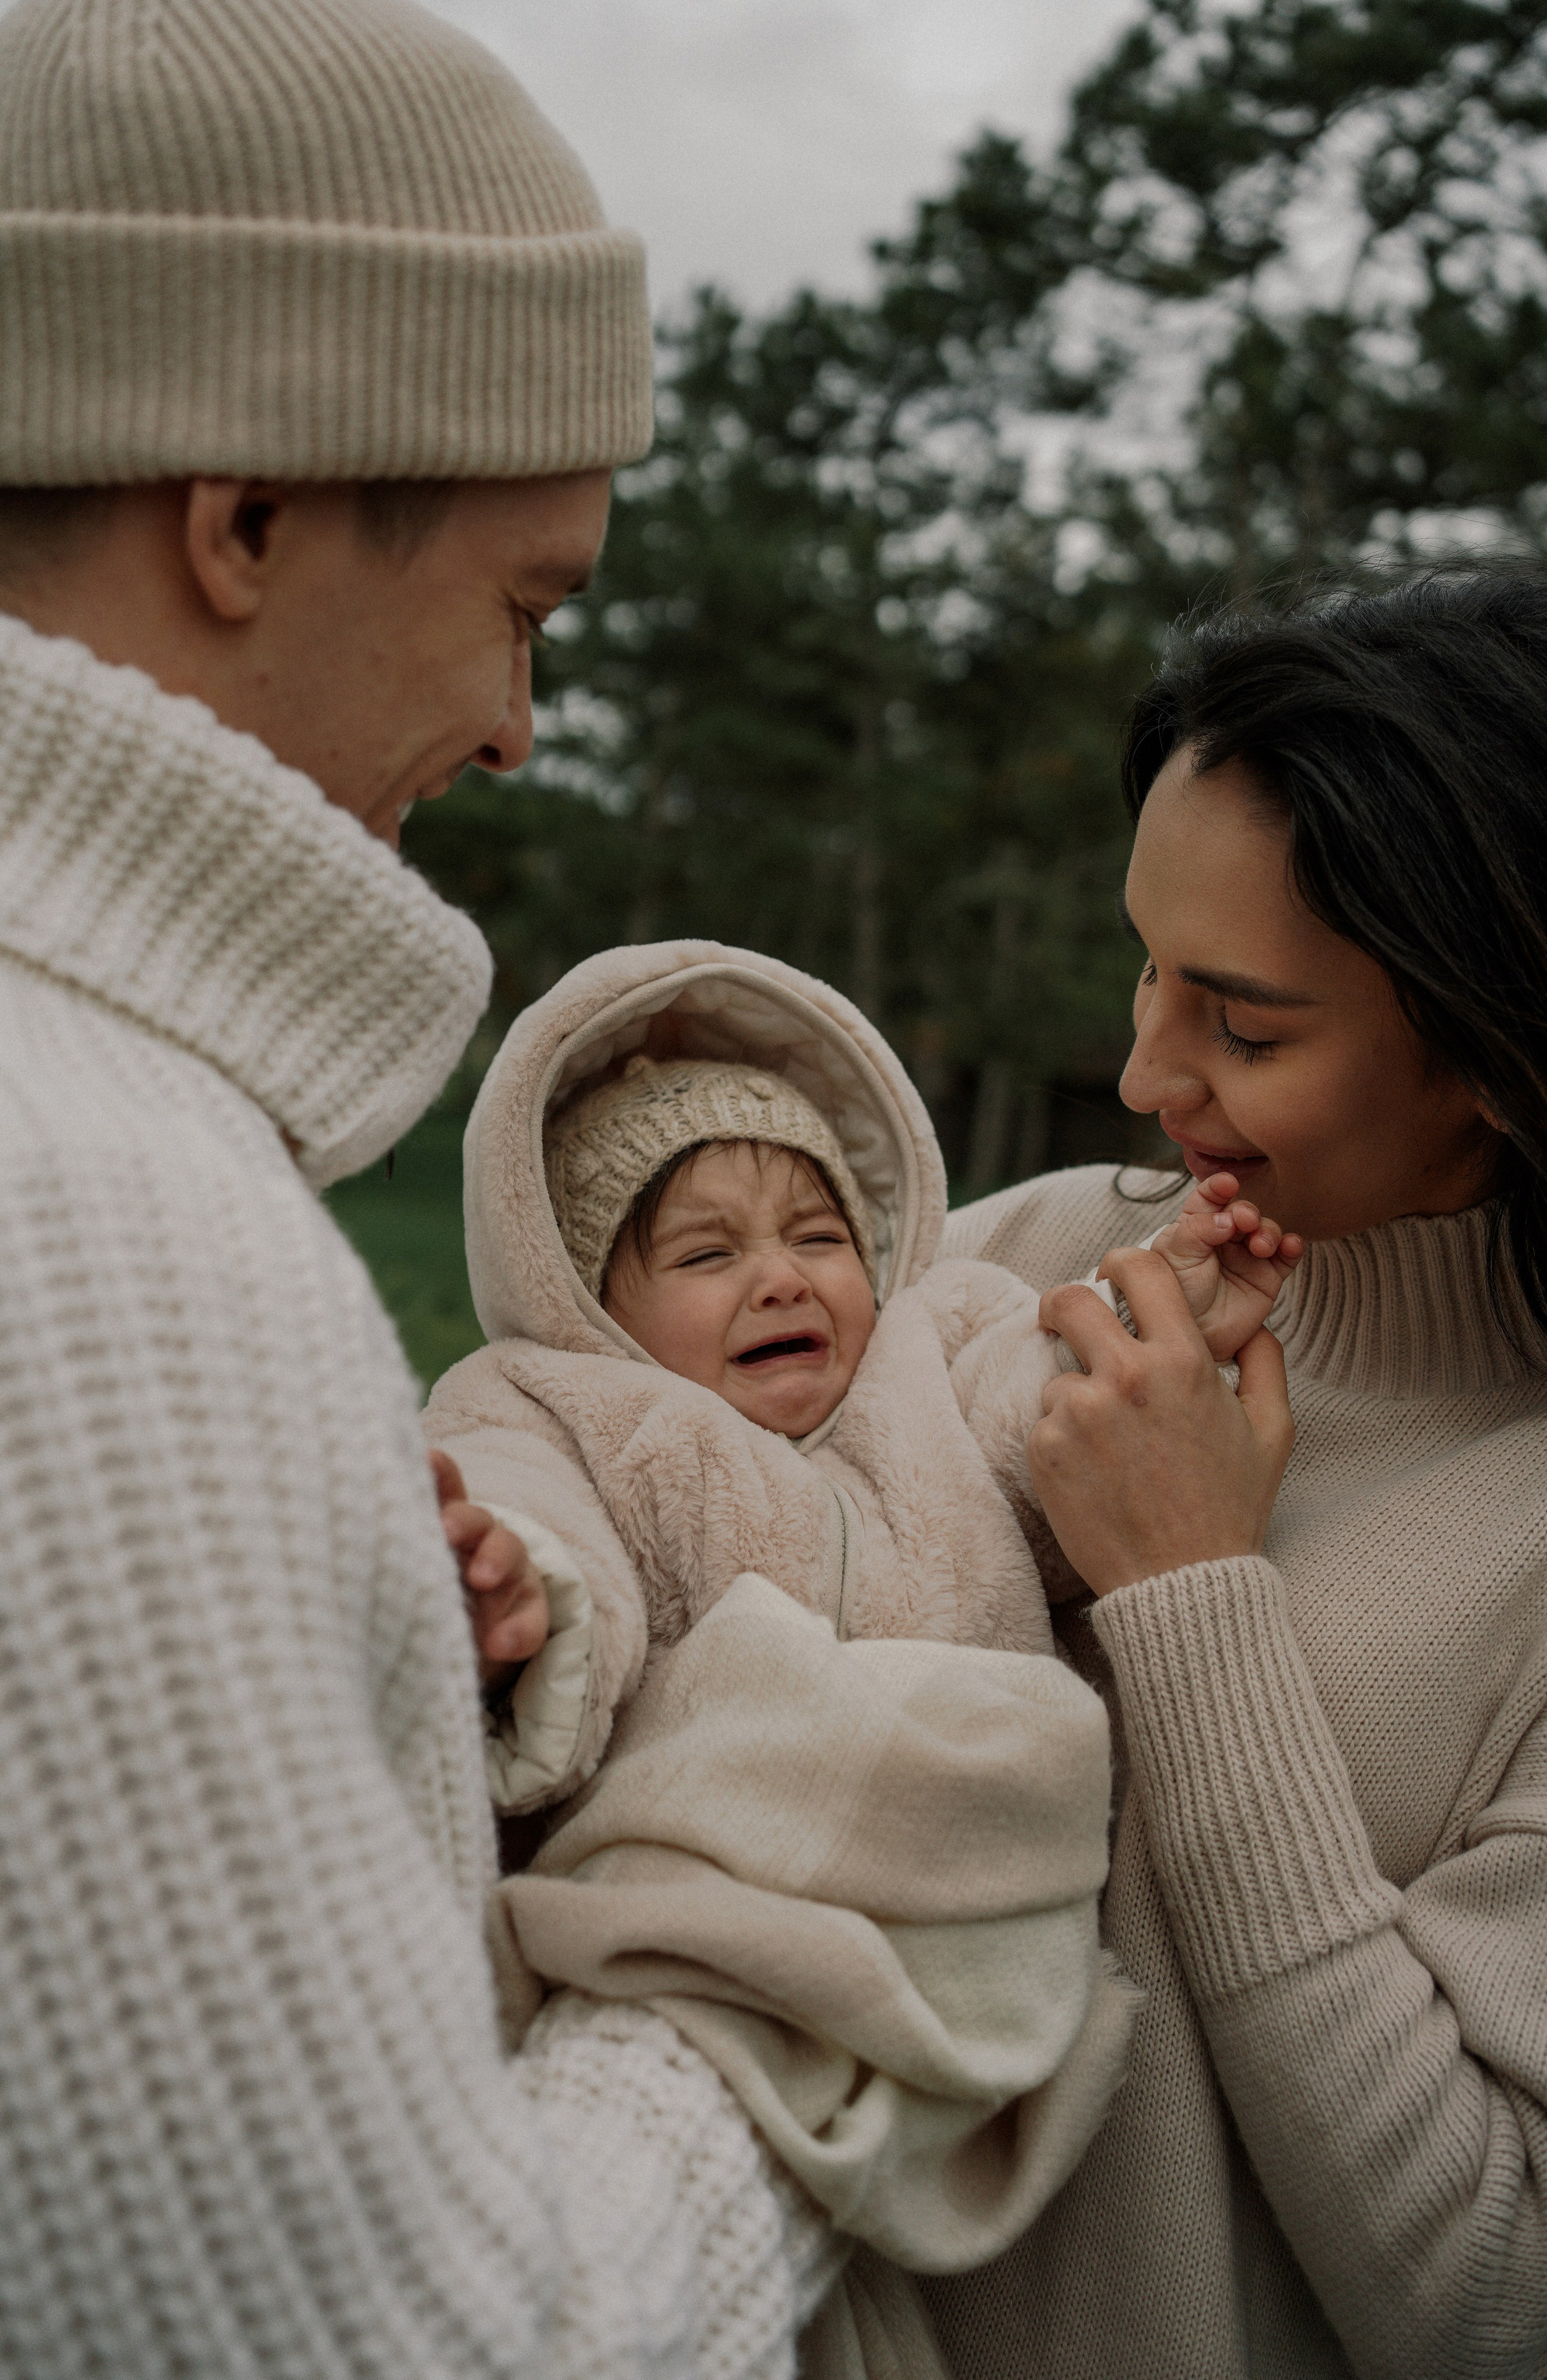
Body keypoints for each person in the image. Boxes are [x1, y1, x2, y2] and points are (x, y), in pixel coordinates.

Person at [0, 1, 919, 2370]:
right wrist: (786, 1962)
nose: (521, 721)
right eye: (525, 602)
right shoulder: (101, 1225)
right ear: (249, 514)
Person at [915, 566, 1547, 2380]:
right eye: (1147, 964)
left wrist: (1188, 1596)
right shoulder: (1002, 1254)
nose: (1143, 1071)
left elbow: (1503, 2288)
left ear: (1510, 1053)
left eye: (1248, 1026)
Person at [422, 941, 1298, 1805]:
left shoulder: (929, 1354)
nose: (783, 1279)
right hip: (711, 1865)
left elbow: (1048, 1401)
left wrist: (1158, 1314)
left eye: (817, 1237)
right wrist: (511, 1597)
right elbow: (525, 1507)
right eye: (707, 1254)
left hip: (990, 1863)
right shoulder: (557, 1413)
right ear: (590, 1306)